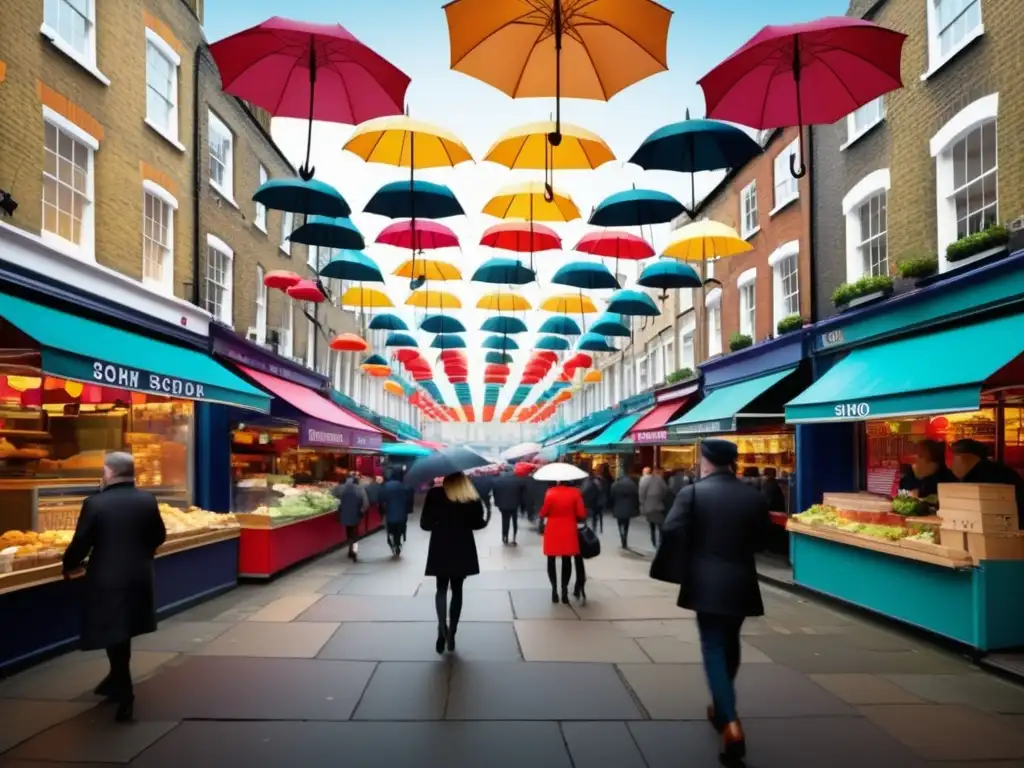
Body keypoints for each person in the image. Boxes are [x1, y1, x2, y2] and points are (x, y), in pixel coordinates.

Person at [660, 439, 771, 763]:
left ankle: (730, 722)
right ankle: (720, 705)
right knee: (731, 640)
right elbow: (763, 539)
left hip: (705, 583)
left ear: (706, 462)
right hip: (741, 581)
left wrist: (689, 557)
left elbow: (671, 529)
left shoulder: (692, 493)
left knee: (712, 645)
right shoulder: (752, 495)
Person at [61, 452, 166, 723]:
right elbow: (159, 536)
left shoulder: (95, 503)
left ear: (108, 472)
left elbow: (81, 541)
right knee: (122, 630)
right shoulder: (147, 500)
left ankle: (125, 693)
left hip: (107, 578)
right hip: (140, 574)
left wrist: (68, 564)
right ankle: (114, 680)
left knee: (114, 630)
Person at [420, 472, 487, 653]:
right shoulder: (470, 496)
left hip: (440, 545)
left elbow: (425, 525)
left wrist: (439, 522)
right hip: (462, 546)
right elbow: (478, 524)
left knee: (441, 588)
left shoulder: (434, 494)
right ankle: (453, 632)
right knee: (457, 590)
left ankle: (442, 628)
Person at [950, 439, 1024, 527]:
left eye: (952, 459)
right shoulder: (1000, 471)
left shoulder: (976, 482)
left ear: (963, 458)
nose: (950, 466)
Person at [539, 479, 587, 604]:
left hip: (553, 529)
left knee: (551, 559)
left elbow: (544, 512)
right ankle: (564, 590)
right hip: (569, 529)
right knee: (567, 560)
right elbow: (581, 513)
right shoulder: (575, 492)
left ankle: (554, 590)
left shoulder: (550, 492)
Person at [334, 474, 368, 561]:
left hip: (345, 513)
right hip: (356, 513)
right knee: (355, 533)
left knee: (349, 531)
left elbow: (333, 498)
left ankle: (350, 548)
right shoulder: (360, 489)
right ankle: (354, 550)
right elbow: (366, 503)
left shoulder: (340, 488)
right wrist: (361, 511)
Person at [379, 469, 411, 557]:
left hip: (390, 512)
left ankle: (394, 542)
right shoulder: (402, 485)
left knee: (391, 528)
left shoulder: (385, 486)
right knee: (399, 529)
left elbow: (381, 499)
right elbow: (408, 496)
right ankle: (398, 543)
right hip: (401, 512)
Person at [491, 465, 523, 546]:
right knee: (514, 520)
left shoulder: (497, 480)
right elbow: (522, 493)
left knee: (505, 520)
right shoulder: (518, 480)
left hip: (503, 505)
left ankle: (505, 536)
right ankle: (514, 537)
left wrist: (497, 503)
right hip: (514, 504)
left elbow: (495, 493)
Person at [610, 470, 640, 549]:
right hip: (629, 507)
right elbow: (636, 497)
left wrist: (612, 507)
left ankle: (622, 535)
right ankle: (625, 536)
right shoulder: (632, 484)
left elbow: (612, 497)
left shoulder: (615, 485)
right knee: (627, 523)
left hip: (618, 507)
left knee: (620, 522)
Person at [640, 467, 669, 549]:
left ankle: (653, 540)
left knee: (652, 525)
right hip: (658, 507)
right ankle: (660, 541)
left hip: (649, 507)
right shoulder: (661, 481)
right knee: (660, 525)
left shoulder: (646, 480)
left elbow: (642, 492)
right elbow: (665, 491)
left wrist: (643, 503)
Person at [581, 467, 604, 534]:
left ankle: (591, 527)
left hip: (591, 502)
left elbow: (584, 492)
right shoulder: (597, 481)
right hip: (595, 502)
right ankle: (594, 527)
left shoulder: (588, 482)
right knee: (594, 515)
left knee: (591, 514)